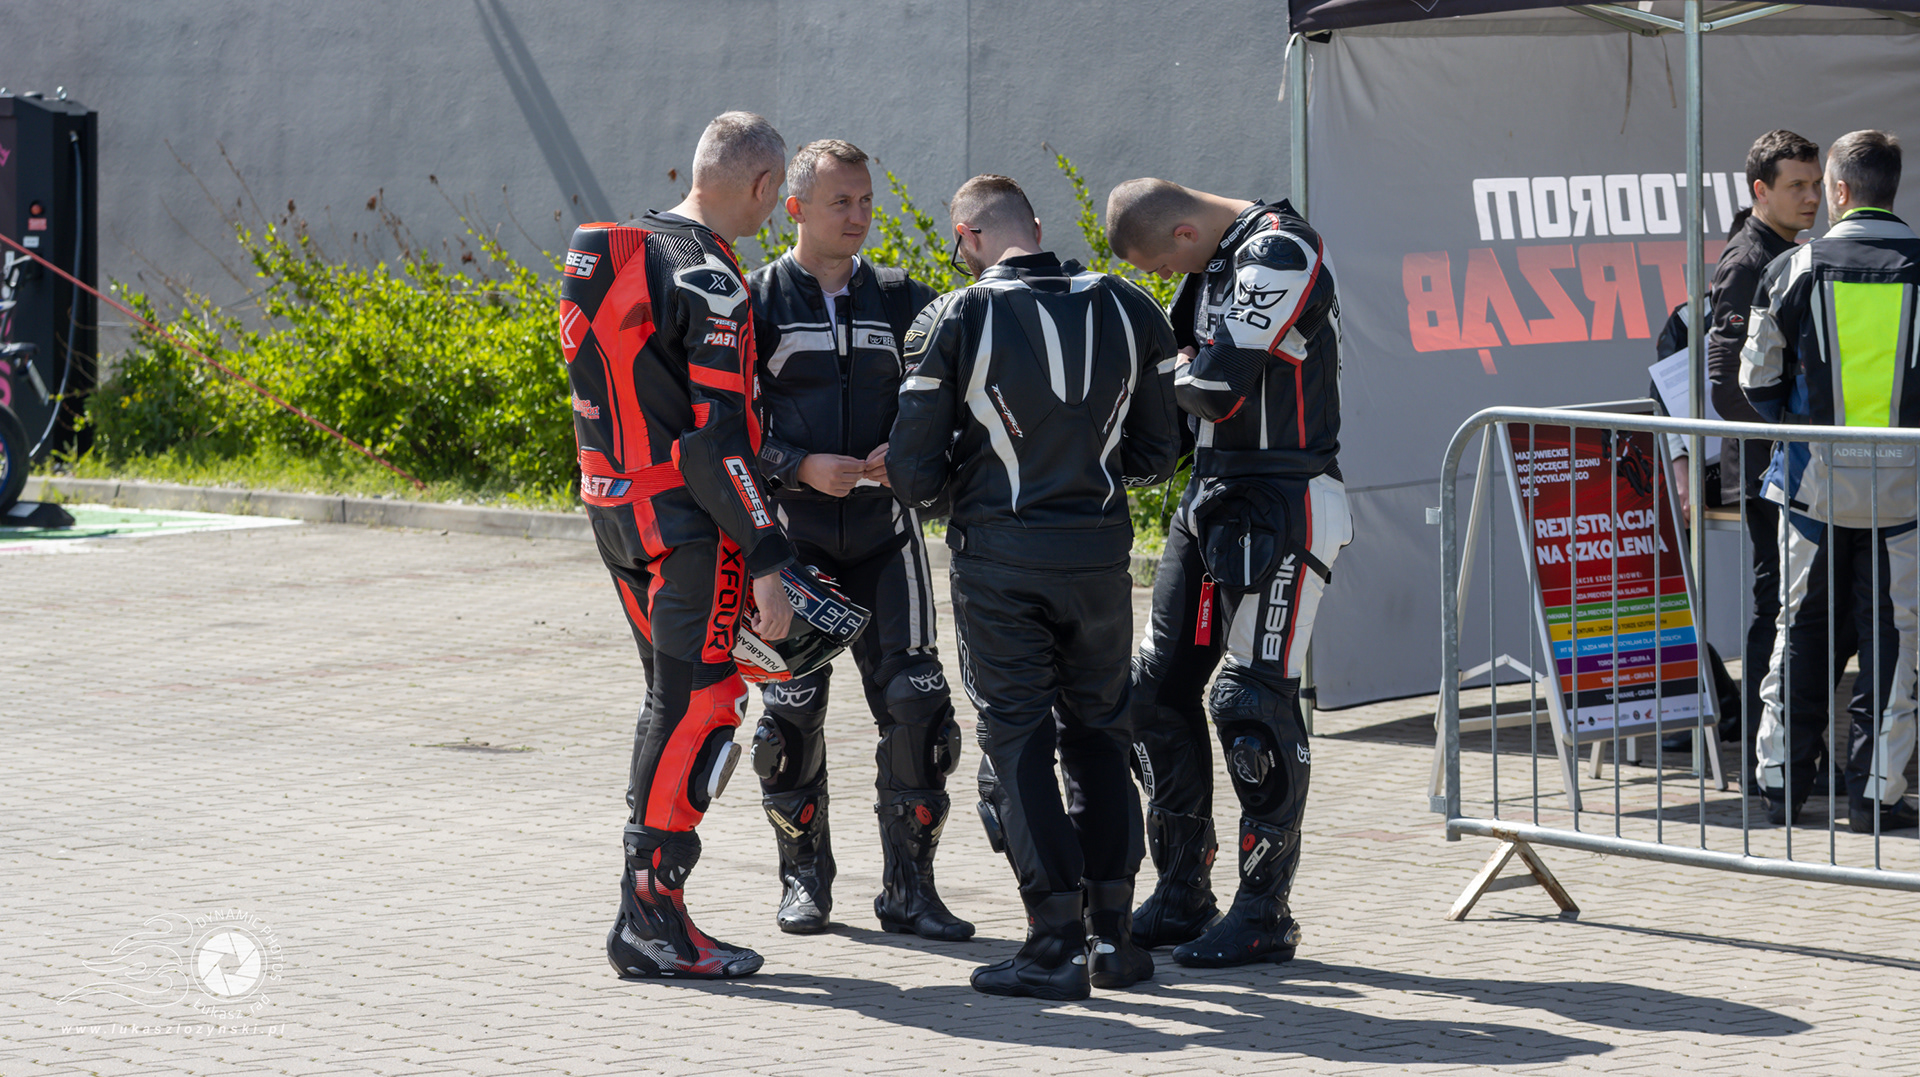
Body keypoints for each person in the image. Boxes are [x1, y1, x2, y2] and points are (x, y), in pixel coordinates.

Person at [889, 174, 1181, 999]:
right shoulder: (1132, 306)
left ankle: (1053, 943)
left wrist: (967, 490)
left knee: (1017, 740)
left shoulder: (955, 315)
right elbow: (1159, 453)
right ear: (1039, 228)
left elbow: (911, 471)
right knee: (1101, 735)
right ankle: (1114, 938)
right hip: (1100, 560)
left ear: (966, 236)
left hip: (1002, 562)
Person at [562, 111, 800, 980]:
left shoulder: (606, 248)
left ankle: (650, 912)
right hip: (687, 527)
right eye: (776, 196)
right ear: (763, 186)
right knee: (702, 706)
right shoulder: (711, 275)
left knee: (671, 703)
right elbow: (715, 443)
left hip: (614, 507)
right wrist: (768, 557)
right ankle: (650, 917)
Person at [1105, 179, 1353, 967]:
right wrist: (1180, 369)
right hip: (1210, 496)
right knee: (1153, 691)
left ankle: (1263, 911)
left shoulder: (1280, 247)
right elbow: (1182, 379)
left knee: (1250, 700)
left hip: (1288, 498)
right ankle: (1182, 890)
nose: (1161, 279)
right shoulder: (1212, 264)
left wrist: (1176, 370)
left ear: (1184, 231)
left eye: (1159, 264)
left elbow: (1212, 387)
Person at [744, 140, 971, 940]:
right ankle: (804, 881)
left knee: (919, 704)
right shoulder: (754, 301)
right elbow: (722, 428)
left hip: (885, 536)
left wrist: (909, 455)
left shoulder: (906, 299)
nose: (858, 216)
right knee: (789, 715)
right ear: (796, 208)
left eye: (867, 200)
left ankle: (911, 890)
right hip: (790, 543)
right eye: (841, 201)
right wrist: (797, 465)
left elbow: (953, 405)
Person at [1742, 129, 1920, 833]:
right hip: (1906, 491)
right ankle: (1875, 792)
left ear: (1841, 191)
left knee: (1799, 630)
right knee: (1895, 638)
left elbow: (1756, 381)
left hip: (1813, 486)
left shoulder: (1793, 266)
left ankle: (1781, 783)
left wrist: (1804, 421)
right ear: (1891, 189)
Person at [1684, 131, 1830, 782]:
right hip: (1771, 471)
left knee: (1803, 608)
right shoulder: (1749, 259)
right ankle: (1760, 758)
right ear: (1760, 191)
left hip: (1793, 468)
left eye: (1816, 183)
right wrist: (1785, 443)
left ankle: (1793, 750)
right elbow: (1724, 384)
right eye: (1797, 186)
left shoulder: (1789, 251)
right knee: (1778, 608)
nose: (1812, 196)